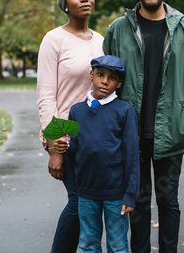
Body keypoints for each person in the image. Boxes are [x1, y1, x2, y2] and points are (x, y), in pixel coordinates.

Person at [103, 0, 184, 252]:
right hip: (130, 134)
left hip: (171, 133)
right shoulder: (118, 29)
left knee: (169, 201)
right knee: (137, 202)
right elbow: (105, 76)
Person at [37, 0, 104, 253]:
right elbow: (45, 96)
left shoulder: (101, 39)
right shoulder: (54, 39)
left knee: (91, 202)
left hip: (96, 131)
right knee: (78, 201)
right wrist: (53, 147)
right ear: (64, 3)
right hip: (65, 131)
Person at [54, 55, 139, 253]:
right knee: (87, 244)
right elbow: (76, 148)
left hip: (116, 194)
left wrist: (130, 195)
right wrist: (64, 146)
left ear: (119, 83)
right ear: (91, 75)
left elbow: (132, 156)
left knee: (118, 245)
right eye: (100, 75)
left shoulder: (125, 111)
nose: (105, 81)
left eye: (112, 78)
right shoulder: (76, 111)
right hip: (86, 191)